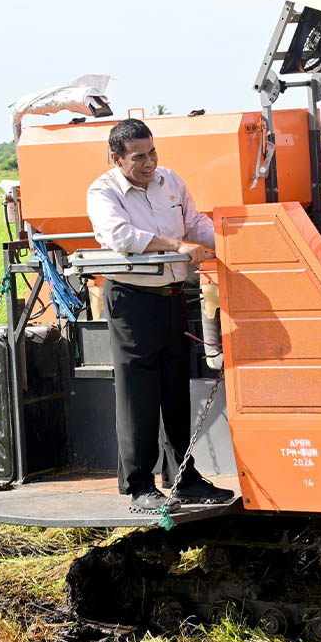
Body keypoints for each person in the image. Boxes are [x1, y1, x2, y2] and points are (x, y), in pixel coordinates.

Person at [87, 118, 235, 513]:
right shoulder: (103, 191)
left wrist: (231, 239)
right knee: (139, 394)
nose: (149, 162)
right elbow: (119, 236)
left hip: (173, 296)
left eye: (152, 153)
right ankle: (139, 485)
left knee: (175, 389)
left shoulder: (169, 181)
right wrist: (176, 245)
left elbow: (194, 223)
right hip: (133, 302)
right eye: (139, 157)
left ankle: (183, 477)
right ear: (116, 158)